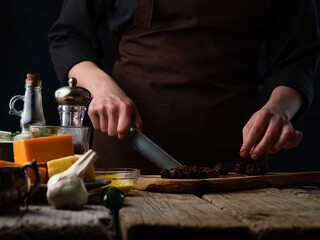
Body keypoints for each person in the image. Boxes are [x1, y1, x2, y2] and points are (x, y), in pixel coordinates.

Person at [48, 0, 320, 174]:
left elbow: (297, 59)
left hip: (235, 157)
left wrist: (279, 109)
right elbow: (70, 35)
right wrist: (102, 88)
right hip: (128, 151)